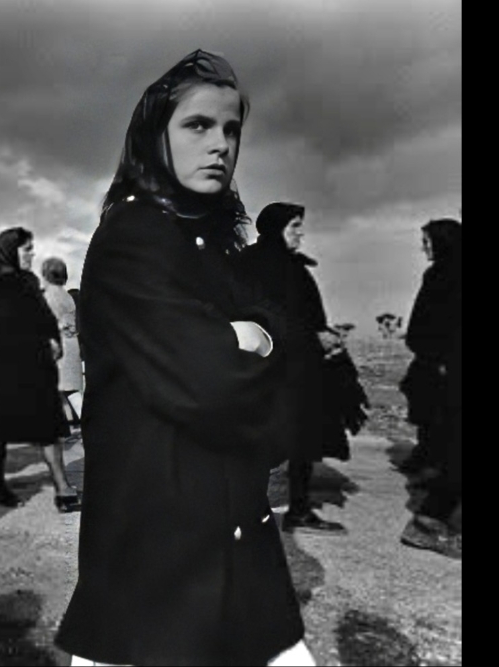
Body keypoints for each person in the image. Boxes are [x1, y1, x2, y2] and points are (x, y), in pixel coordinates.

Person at [55, 49, 311, 666]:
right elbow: (211, 383)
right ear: (155, 137)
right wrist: (250, 345)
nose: (220, 143)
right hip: (158, 554)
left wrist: (259, 337)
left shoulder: (216, 243)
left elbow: (286, 354)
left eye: (231, 129)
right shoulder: (134, 233)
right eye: (198, 125)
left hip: (235, 539)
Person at [237, 202, 352, 534]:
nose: (301, 233)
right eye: (295, 226)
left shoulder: (292, 266)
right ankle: (248, 511)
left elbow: (306, 314)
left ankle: (298, 509)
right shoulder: (251, 265)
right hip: (265, 370)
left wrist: (324, 335)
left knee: (302, 439)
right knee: (259, 440)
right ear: (276, 228)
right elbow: (261, 317)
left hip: (298, 370)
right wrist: (313, 336)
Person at [0, 227, 82, 512]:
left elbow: (44, 317)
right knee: (0, 431)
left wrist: (52, 339)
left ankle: (63, 489)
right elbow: (7, 328)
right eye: (26, 248)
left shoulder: (28, 282)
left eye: (31, 247)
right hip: (5, 371)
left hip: (35, 368)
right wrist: (43, 340)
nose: (31, 253)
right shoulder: (0, 288)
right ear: (10, 251)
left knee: (48, 426)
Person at [398, 219, 461, 559]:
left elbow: (420, 332)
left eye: (427, 241)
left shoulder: (442, 275)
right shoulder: (443, 275)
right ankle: (428, 520)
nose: (424, 249)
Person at [41, 258, 84, 427]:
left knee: (61, 391)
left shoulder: (47, 297)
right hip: (72, 345)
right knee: (72, 391)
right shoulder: (67, 296)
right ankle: (79, 427)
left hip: (57, 346)